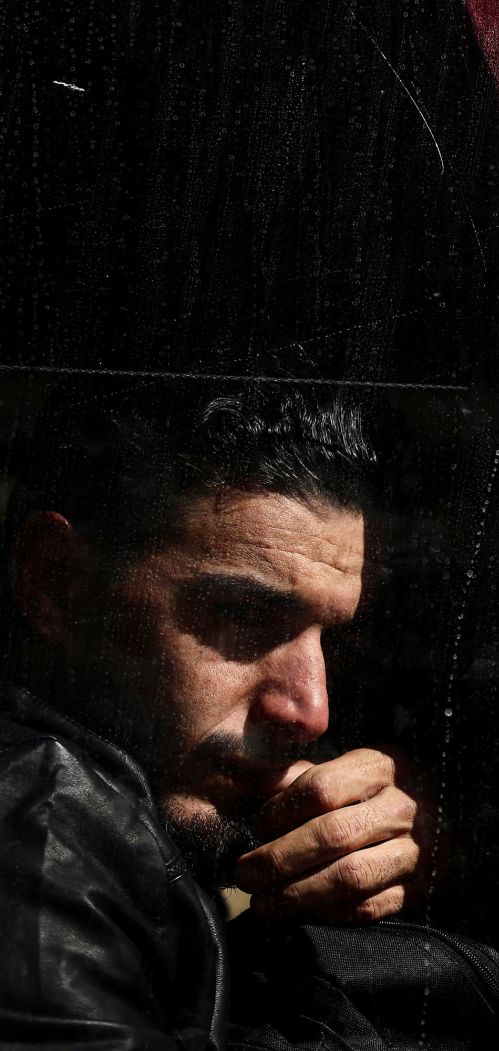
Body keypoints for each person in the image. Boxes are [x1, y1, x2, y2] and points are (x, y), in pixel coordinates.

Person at [0, 383, 429, 1046]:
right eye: (243, 616)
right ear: (57, 583)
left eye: (332, 639)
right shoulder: (37, 831)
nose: (311, 709)